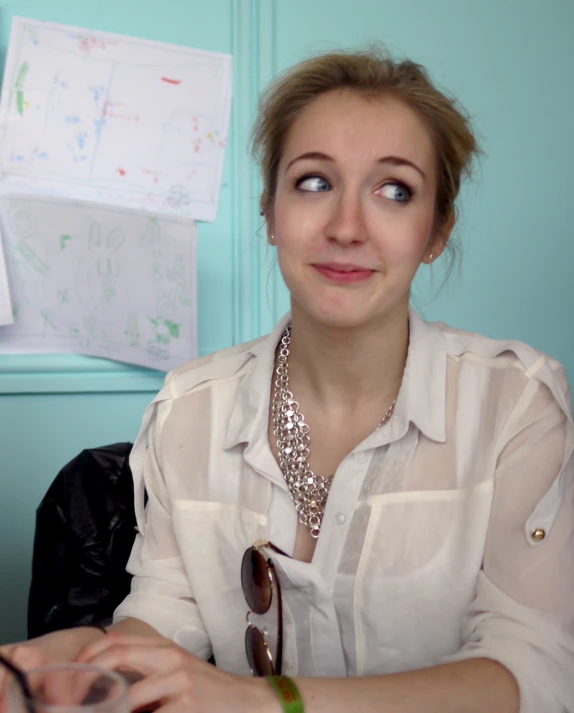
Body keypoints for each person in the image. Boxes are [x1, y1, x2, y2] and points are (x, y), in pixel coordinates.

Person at [1, 47, 573, 713]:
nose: (346, 227)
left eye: (394, 190)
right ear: (269, 212)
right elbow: (156, 623)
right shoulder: (189, 406)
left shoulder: (515, 405)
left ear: (437, 228)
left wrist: (274, 702)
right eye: (312, 182)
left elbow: (537, 670)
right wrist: (49, 660)